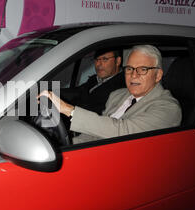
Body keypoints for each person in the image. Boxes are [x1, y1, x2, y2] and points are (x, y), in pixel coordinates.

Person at [39, 44, 182, 144]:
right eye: (129, 69)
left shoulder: (168, 108)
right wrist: (69, 144)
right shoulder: (117, 95)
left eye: (143, 69)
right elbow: (96, 134)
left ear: (158, 75)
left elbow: (123, 131)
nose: (133, 75)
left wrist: (69, 110)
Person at [60, 48, 125, 115]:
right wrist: (53, 92)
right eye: (97, 59)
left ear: (117, 61)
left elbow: (96, 113)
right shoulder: (95, 79)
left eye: (105, 59)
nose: (99, 64)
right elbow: (77, 92)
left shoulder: (121, 87)